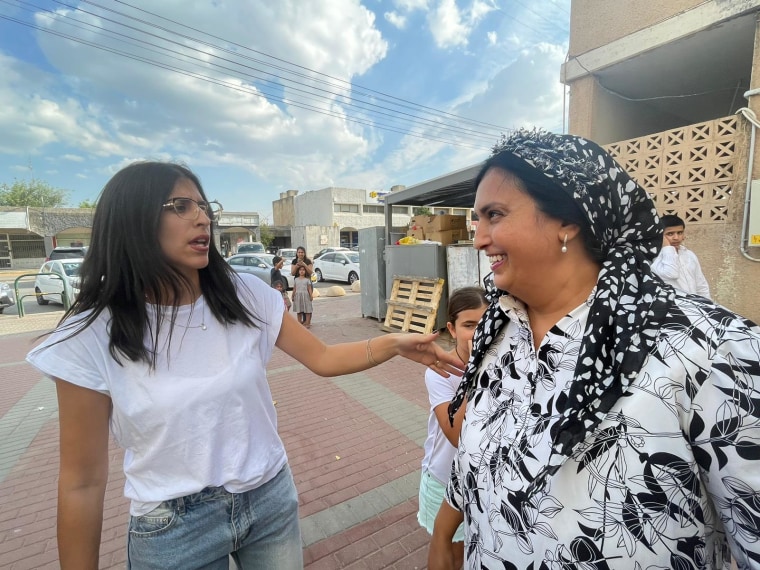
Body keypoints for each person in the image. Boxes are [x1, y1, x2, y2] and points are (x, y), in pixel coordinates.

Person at [25, 161, 461, 570]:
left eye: (203, 206)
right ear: (131, 221)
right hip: (173, 529)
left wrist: (393, 344)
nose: (202, 219)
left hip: (268, 497)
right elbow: (81, 481)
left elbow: (323, 357)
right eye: (180, 206)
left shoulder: (242, 294)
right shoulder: (92, 332)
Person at [427, 129, 760, 569]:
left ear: (569, 220)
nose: (478, 239)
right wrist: (443, 531)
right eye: (477, 220)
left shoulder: (707, 349)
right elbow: (480, 455)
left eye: (494, 215)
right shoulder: (496, 331)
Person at [418, 286, 487, 569]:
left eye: (485, 324)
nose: (478, 333)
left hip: (482, 482)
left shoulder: (502, 365)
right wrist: (476, 373)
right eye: (469, 325)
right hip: (444, 479)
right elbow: (457, 435)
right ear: (452, 328)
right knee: (452, 555)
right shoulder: (440, 373)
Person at [651, 213, 711, 298]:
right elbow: (671, 274)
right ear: (660, 235)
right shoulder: (655, 258)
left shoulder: (689, 255)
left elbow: (701, 285)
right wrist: (667, 248)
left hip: (694, 305)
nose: (676, 237)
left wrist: (708, 305)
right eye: (670, 234)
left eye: (679, 233)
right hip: (672, 307)